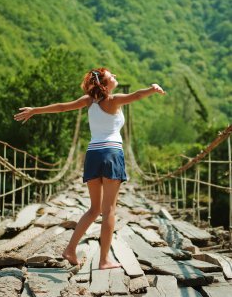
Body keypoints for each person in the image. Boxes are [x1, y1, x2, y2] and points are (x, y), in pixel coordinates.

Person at [14, 68, 165, 270]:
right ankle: (104, 261)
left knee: (94, 209)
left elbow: (61, 108)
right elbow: (137, 95)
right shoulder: (114, 100)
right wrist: (152, 89)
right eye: (112, 76)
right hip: (112, 154)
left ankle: (70, 249)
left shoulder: (88, 101)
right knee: (109, 210)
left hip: (93, 155)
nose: (116, 77)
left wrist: (35, 110)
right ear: (104, 83)